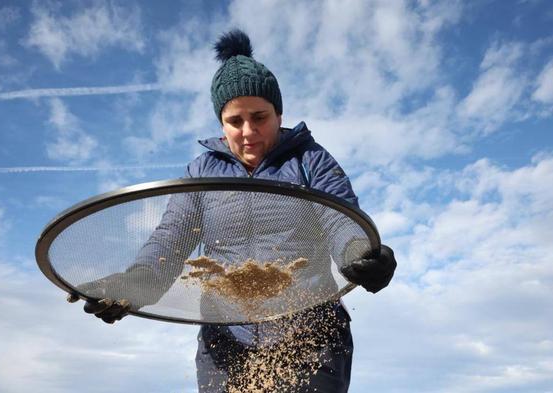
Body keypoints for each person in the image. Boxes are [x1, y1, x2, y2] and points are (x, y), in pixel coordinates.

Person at [68, 29, 397, 393]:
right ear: (221, 122)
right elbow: (171, 240)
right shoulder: (201, 172)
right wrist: (133, 286)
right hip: (225, 341)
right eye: (235, 121)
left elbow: (341, 220)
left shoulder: (310, 161)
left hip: (311, 334)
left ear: (279, 113)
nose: (248, 131)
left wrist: (360, 255)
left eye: (260, 117)